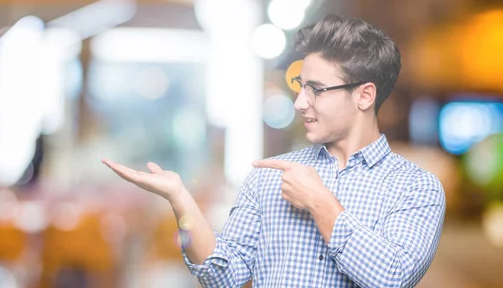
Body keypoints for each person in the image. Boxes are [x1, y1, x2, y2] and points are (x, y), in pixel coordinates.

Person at [102, 14, 445, 288]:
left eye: (317, 90)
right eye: (300, 87)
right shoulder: (271, 174)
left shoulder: (415, 187)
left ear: (365, 95)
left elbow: (392, 278)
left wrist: (319, 202)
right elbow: (223, 276)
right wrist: (180, 199)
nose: (299, 103)